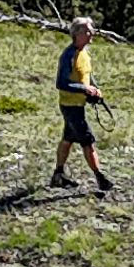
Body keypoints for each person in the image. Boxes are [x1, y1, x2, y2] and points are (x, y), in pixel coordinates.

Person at [49, 15, 112, 194]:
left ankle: (58, 175)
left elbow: (88, 76)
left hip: (77, 105)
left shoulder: (84, 53)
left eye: (91, 30)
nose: (91, 33)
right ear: (76, 34)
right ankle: (100, 178)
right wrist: (84, 90)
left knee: (68, 139)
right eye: (87, 31)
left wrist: (95, 89)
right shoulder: (68, 55)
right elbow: (61, 83)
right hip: (70, 106)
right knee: (87, 141)